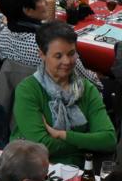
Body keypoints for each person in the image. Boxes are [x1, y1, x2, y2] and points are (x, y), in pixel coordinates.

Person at [12, 21, 117, 166]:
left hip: (78, 171)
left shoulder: (86, 89)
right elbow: (40, 146)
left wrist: (63, 135)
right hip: (32, 168)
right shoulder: (28, 90)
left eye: (71, 53)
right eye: (58, 56)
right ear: (42, 54)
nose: (67, 61)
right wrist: (86, 142)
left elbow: (109, 139)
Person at [0, 0, 101, 88]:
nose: (45, 1)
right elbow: (88, 81)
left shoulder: (3, 36)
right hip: (64, 98)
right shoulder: (53, 45)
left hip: (24, 96)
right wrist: (98, 76)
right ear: (28, 10)